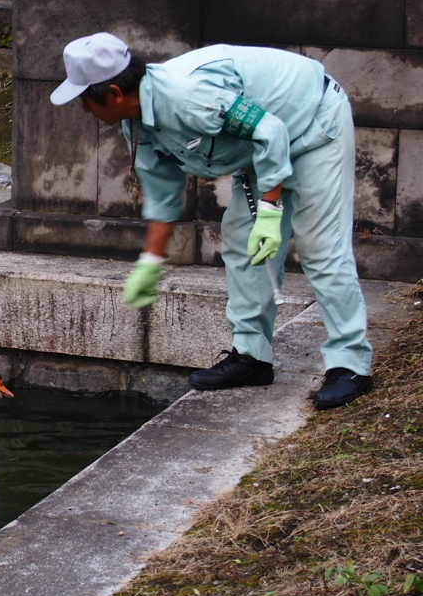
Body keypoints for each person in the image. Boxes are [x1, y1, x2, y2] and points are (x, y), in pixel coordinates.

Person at [50, 32, 373, 409]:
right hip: (262, 148)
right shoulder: (136, 123)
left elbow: (269, 130)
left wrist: (270, 214)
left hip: (311, 124)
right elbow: (164, 196)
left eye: (85, 100)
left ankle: (350, 365)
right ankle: (252, 357)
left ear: (114, 94)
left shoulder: (189, 96)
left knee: (320, 247)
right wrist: (151, 263)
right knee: (240, 239)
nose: (84, 110)